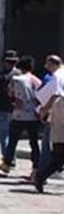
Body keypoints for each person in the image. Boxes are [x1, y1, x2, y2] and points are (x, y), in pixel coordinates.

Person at [0, 55, 42, 175]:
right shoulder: (36, 80)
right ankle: (36, 167)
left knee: (12, 141)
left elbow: (12, 94)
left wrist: (13, 100)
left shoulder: (17, 79)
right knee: (34, 142)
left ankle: (7, 162)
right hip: (33, 115)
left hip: (19, 115)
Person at [33, 56, 64, 193]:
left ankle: (40, 176)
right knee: (58, 152)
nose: (46, 67)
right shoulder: (58, 75)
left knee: (58, 149)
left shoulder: (57, 76)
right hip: (60, 112)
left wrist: (44, 110)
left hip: (60, 111)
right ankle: (41, 176)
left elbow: (55, 94)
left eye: (48, 64)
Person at [0, 50, 21, 167]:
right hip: (16, 108)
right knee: (13, 135)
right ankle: (12, 158)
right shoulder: (20, 74)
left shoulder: (1, 75)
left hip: (3, 107)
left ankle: (7, 159)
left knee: (4, 135)